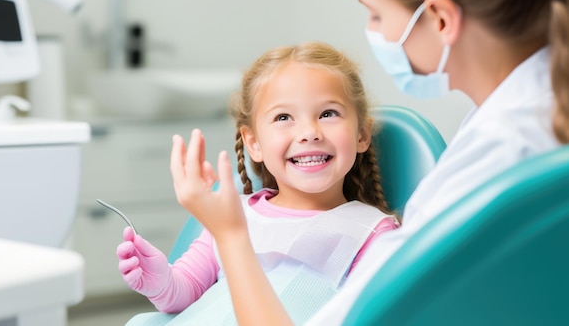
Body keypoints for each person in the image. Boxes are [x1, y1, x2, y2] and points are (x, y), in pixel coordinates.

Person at [169, 0, 569, 325]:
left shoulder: (498, 153)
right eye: (283, 118)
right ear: (252, 141)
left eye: (375, 14)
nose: (372, 30)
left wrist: (231, 235)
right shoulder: (524, 118)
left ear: (440, 19)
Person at [117, 41, 400, 325]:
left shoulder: (372, 235)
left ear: (361, 134)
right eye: (283, 117)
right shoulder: (233, 216)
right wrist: (160, 281)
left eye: (328, 114)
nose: (309, 132)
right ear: (254, 143)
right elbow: (185, 292)